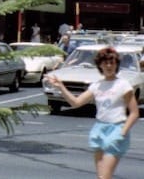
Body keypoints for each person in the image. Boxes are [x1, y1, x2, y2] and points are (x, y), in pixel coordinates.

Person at [47, 46, 138, 179]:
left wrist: (122, 132)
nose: (108, 66)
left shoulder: (123, 85)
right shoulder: (96, 85)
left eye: (112, 62)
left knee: (104, 177)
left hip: (116, 130)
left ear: (116, 64)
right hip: (99, 129)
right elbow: (76, 103)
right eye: (105, 63)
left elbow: (134, 113)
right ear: (100, 65)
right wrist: (61, 87)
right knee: (100, 176)